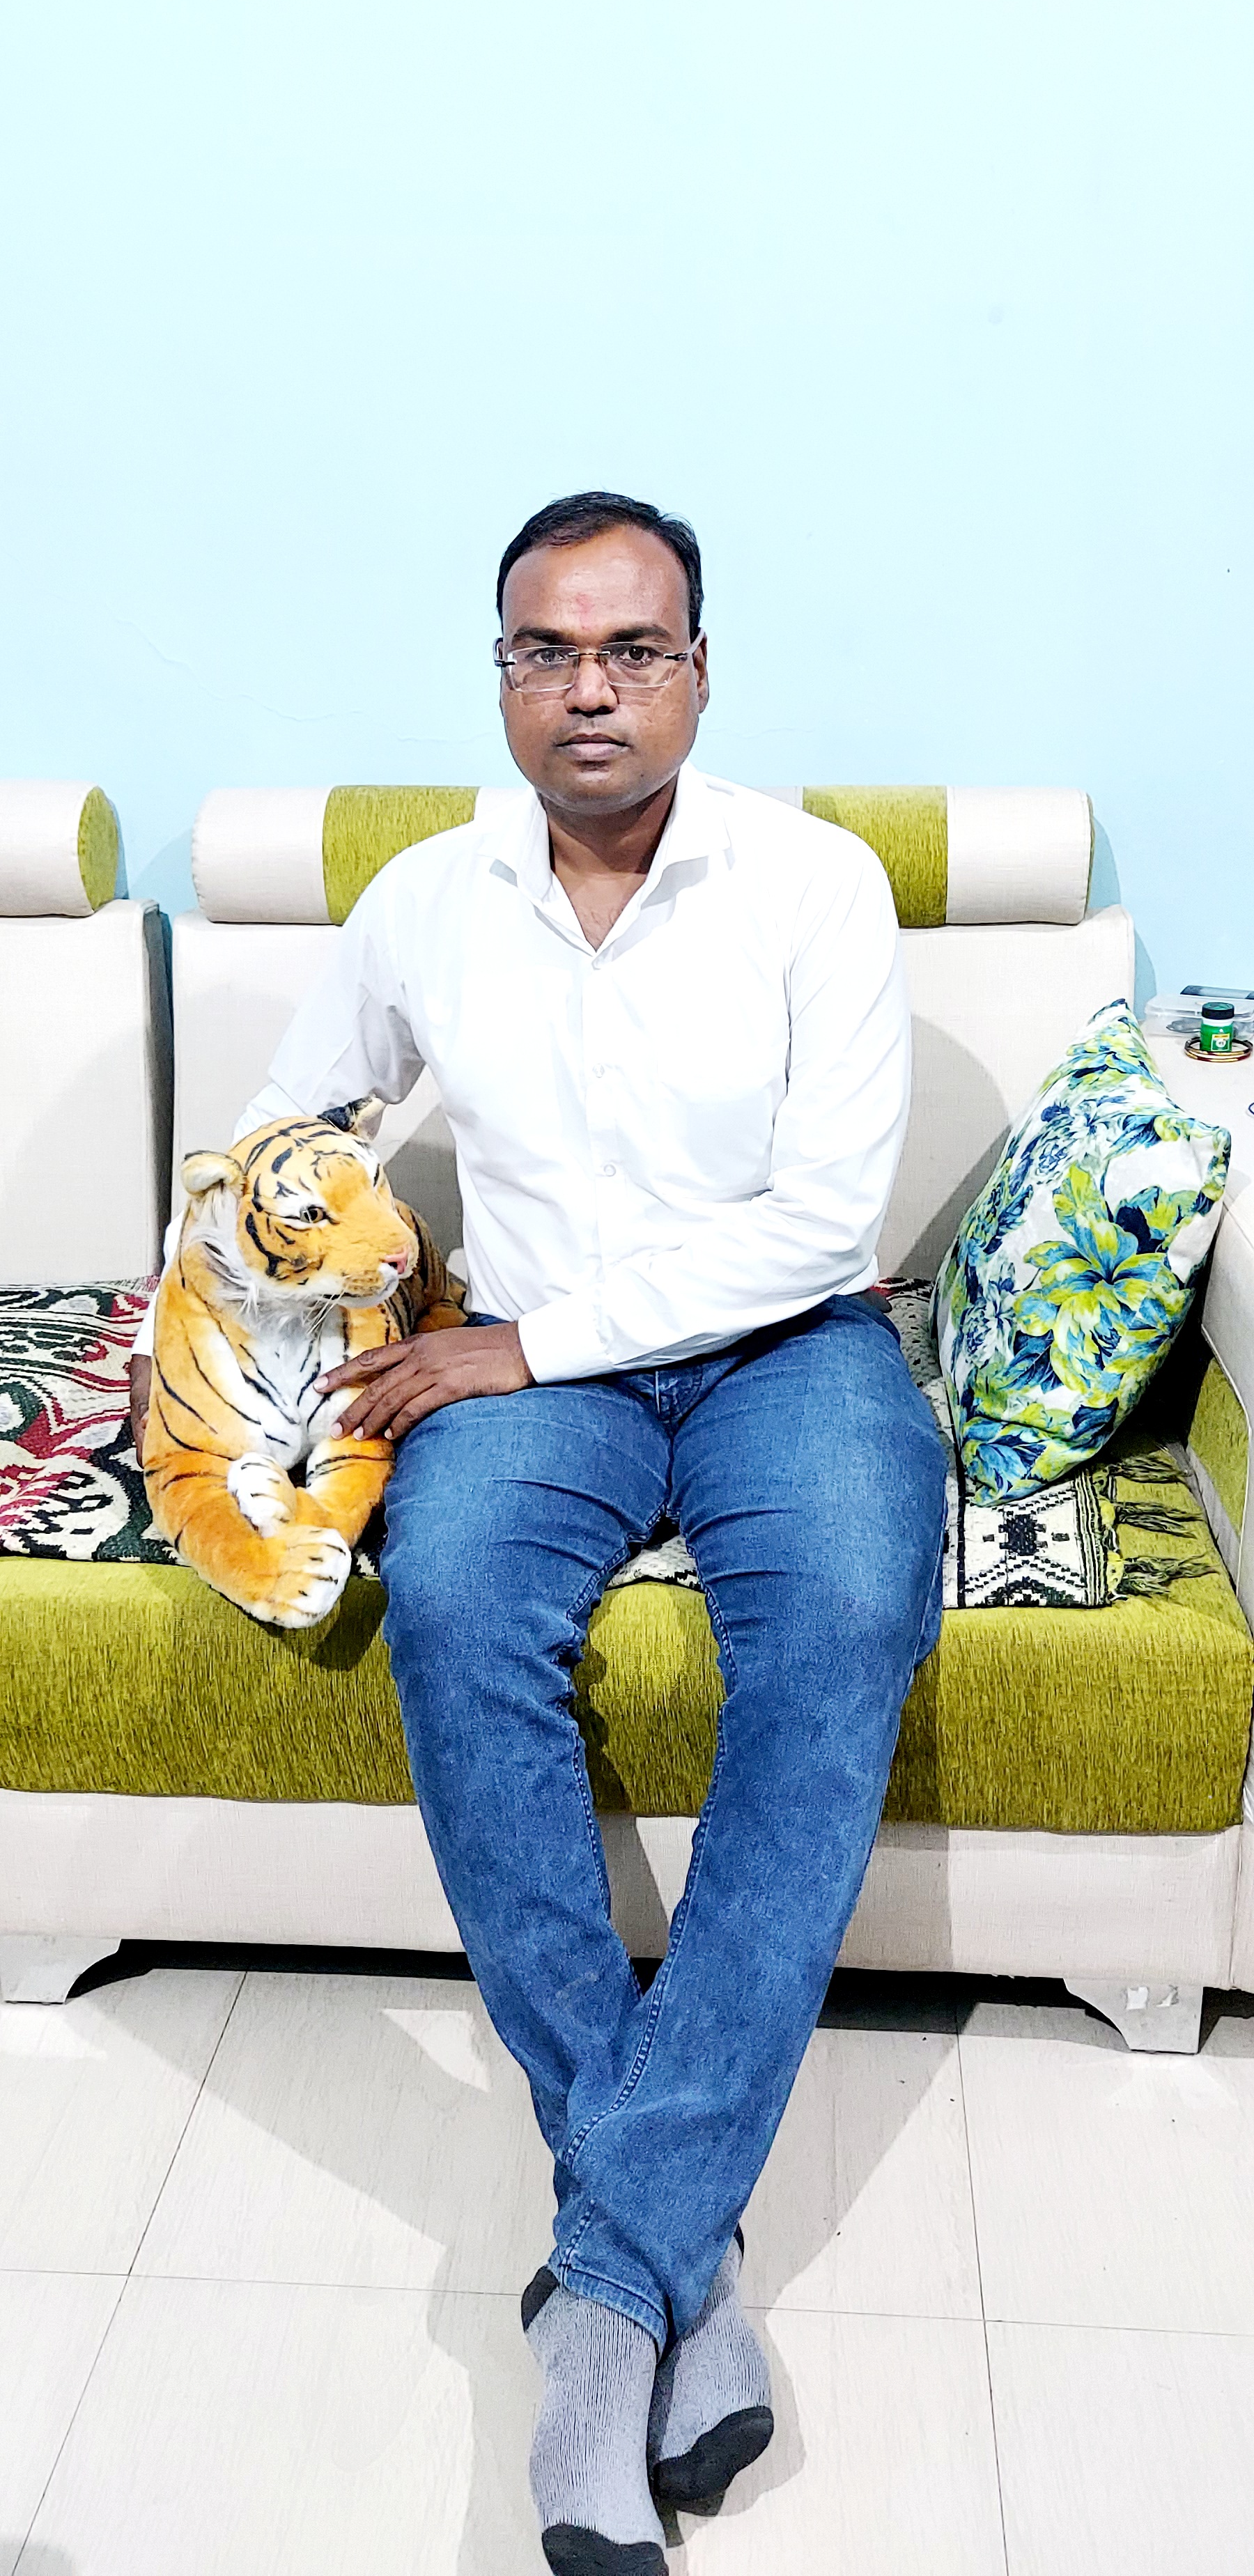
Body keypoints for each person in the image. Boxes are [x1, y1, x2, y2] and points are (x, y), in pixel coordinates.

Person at [130, 490, 947, 2576]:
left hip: (786, 1353)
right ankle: (668, 2255)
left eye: (632, 649)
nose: (591, 689)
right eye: (547, 652)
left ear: (699, 672)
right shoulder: (426, 901)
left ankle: (602, 2289)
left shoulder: (817, 885)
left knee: (853, 1616)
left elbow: (824, 1222)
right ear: (501, 675)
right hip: (532, 1373)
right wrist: (287, 1260)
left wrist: (522, 1343)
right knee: (456, 1606)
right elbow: (302, 1128)